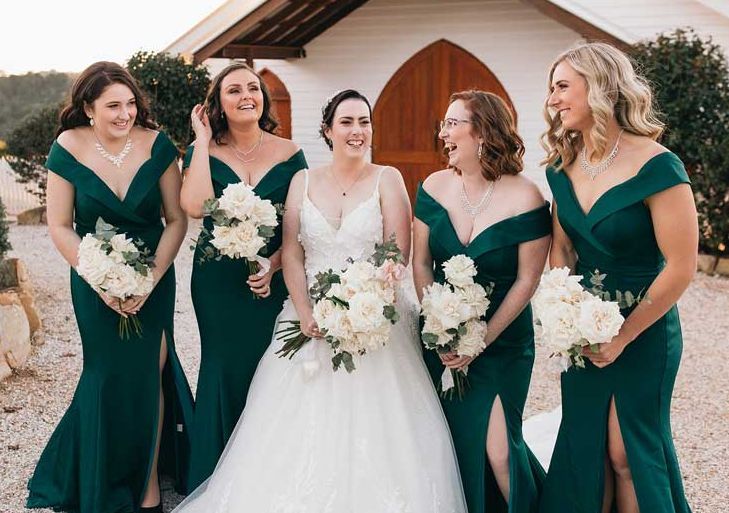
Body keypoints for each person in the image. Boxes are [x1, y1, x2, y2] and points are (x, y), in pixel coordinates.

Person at [173, 89, 467, 512]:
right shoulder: (303, 180)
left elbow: (395, 252)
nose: (357, 131)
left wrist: (363, 306)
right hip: (305, 315)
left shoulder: (388, 179)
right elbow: (292, 251)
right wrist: (308, 312)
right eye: (346, 122)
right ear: (328, 131)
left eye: (364, 122)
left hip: (374, 320)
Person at [27, 61, 192, 513]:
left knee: (148, 372)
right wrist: (99, 279)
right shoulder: (67, 146)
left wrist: (152, 277)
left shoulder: (158, 145)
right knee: (105, 374)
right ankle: (97, 470)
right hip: (92, 277)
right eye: (113, 105)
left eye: (131, 103)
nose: (125, 114)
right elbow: (60, 226)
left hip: (154, 274)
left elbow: (176, 219)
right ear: (88, 107)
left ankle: (147, 488)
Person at [538, 42, 697, 513]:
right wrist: (565, 314)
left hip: (645, 329)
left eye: (563, 86)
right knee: (590, 449)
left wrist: (624, 335)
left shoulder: (658, 165)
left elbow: (682, 266)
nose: (553, 100)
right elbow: (562, 250)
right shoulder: (562, 168)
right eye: (551, 89)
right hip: (583, 332)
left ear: (601, 86)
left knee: (628, 451)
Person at [414, 90, 550, 513]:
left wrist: (482, 339)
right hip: (442, 343)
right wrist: (438, 324)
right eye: (445, 124)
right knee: (454, 446)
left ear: (485, 133)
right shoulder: (433, 187)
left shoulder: (527, 196)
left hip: (503, 344)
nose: (444, 133)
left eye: (453, 123)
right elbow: (419, 264)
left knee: (500, 452)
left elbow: (528, 280)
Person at [179, 62, 307, 491]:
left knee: (271, 366)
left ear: (264, 98)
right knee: (223, 365)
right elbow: (195, 206)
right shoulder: (206, 151)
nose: (246, 95)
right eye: (233, 90)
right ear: (218, 103)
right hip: (217, 279)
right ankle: (214, 472)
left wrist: (272, 265)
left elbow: (302, 224)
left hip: (272, 276)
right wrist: (199, 141)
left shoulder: (290, 153)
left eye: (253, 88)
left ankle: (269, 469)